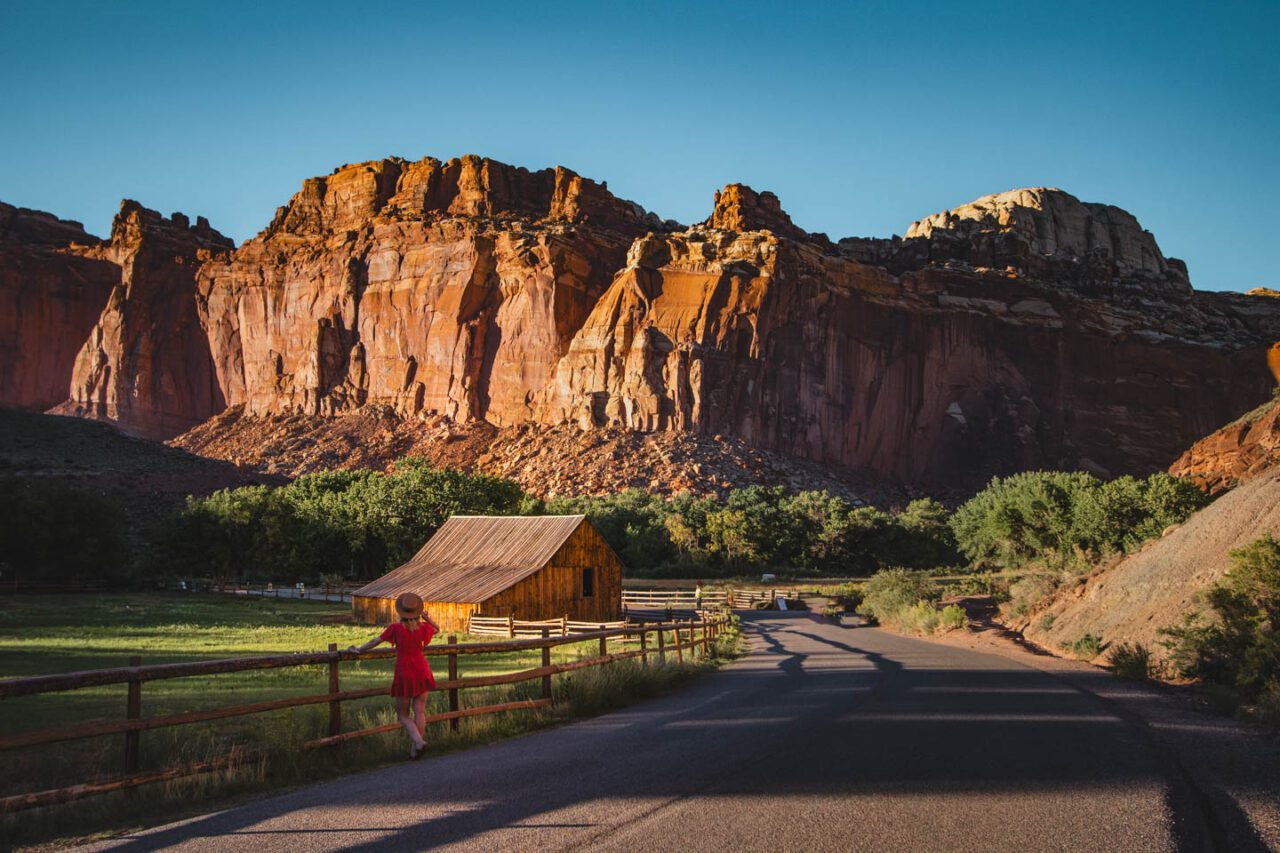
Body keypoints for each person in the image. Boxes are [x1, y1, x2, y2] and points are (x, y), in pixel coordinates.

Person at [348, 592, 438, 759]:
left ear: (400, 612)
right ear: (417, 611)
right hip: (423, 669)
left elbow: (375, 641)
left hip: (406, 671)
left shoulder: (395, 629)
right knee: (419, 711)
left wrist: (359, 649)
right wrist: (426, 618)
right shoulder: (423, 627)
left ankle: (418, 742)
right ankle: (415, 750)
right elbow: (437, 629)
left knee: (402, 714)